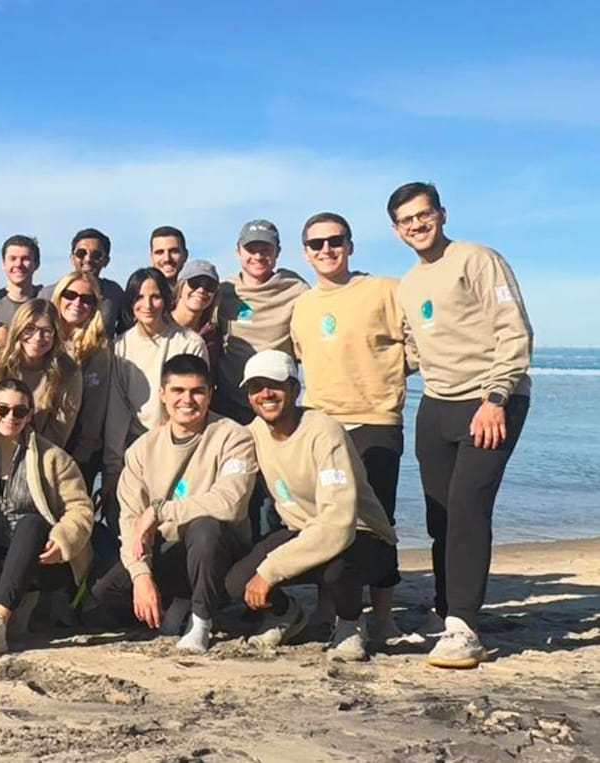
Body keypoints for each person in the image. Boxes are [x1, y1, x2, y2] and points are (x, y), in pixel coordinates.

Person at [388, 182, 532, 669]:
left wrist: (496, 397)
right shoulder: (408, 284)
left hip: (489, 400)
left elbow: (514, 330)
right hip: (437, 403)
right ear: (396, 230)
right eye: (406, 220)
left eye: (423, 214)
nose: (417, 225)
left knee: (469, 508)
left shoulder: (477, 259)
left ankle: (465, 627)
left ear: (442, 214)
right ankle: (447, 612)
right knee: (441, 515)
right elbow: (413, 351)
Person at [224, 350, 398, 662]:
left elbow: (338, 525)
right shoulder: (253, 433)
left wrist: (271, 571)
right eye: (255, 387)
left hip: (362, 535)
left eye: (274, 385)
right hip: (302, 532)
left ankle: (351, 623)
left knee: (336, 567)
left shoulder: (324, 431)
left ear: (294, 388)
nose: (265, 394)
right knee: (237, 582)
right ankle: (286, 614)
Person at [290, 211, 410, 645]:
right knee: (327, 520)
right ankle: (331, 610)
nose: (326, 249)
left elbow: (418, 344)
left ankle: (384, 616)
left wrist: (388, 377)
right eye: (316, 244)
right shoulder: (303, 305)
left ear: (350, 245)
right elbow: (301, 356)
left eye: (335, 241)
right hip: (322, 423)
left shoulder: (385, 289)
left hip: (375, 420)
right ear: (306, 253)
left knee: (377, 522)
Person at [86, 354, 255, 654]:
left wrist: (160, 510)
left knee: (205, 528)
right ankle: (179, 599)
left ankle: (201, 621)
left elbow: (230, 504)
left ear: (210, 394)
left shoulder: (234, 436)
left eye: (197, 391)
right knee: (106, 592)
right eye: (178, 391)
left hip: (221, 549)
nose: (187, 400)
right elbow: (130, 520)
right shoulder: (141, 449)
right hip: (169, 547)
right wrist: (141, 575)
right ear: (163, 395)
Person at [0, 379, 94, 656]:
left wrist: (63, 540)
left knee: (30, 523)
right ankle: (21, 601)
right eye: (3, 409)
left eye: (19, 411)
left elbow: (80, 508)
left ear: (30, 415)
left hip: (45, 557)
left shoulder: (52, 457)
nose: (10, 417)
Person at [102, 268, 208, 524]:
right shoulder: (121, 347)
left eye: (155, 297)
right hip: (136, 450)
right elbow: (117, 410)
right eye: (139, 297)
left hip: (183, 447)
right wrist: (113, 467)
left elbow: (195, 403)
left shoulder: (190, 343)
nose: (147, 305)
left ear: (167, 300)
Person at [214, 220, 309, 423]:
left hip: (277, 401)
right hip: (231, 402)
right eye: (251, 250)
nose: (258, 256)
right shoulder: (223, 291)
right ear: (238, 252)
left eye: (265, 249)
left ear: (277, 251)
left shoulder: (296, 289)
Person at [0, 299, 82, 449]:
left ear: (56, 334)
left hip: (41, 451)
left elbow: (59, 429)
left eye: (46, 331)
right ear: (18, 329)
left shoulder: (67, 373)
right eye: (30, 329)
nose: (37, 337)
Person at [49, 270, 112, 483]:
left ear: (94, 306)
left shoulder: (98, 349)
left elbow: (95, 407)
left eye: (86, 299)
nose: (77, 302)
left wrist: (82, 453)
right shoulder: (41, 336)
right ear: (59, 296)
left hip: (75, 450)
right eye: (70, 295)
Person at [69, 228, 126, 337]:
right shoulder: (51, 293)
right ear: (72, 258)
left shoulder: (114, 293)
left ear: (106, 261)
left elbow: (125, 332)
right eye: (81, 253)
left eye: (96, 255)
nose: (88, 259)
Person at [171, 260, 223, 372]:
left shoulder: (212, 337)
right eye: (194, 283)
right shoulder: (160, 324)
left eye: (209, 286)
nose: (201, 290)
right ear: (181, 286)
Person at [0, 235, 44, 326]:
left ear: (36, 264)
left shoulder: (47, 301)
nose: (18, 264)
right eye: (13, 259)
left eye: (25, 259)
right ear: (3, 264)